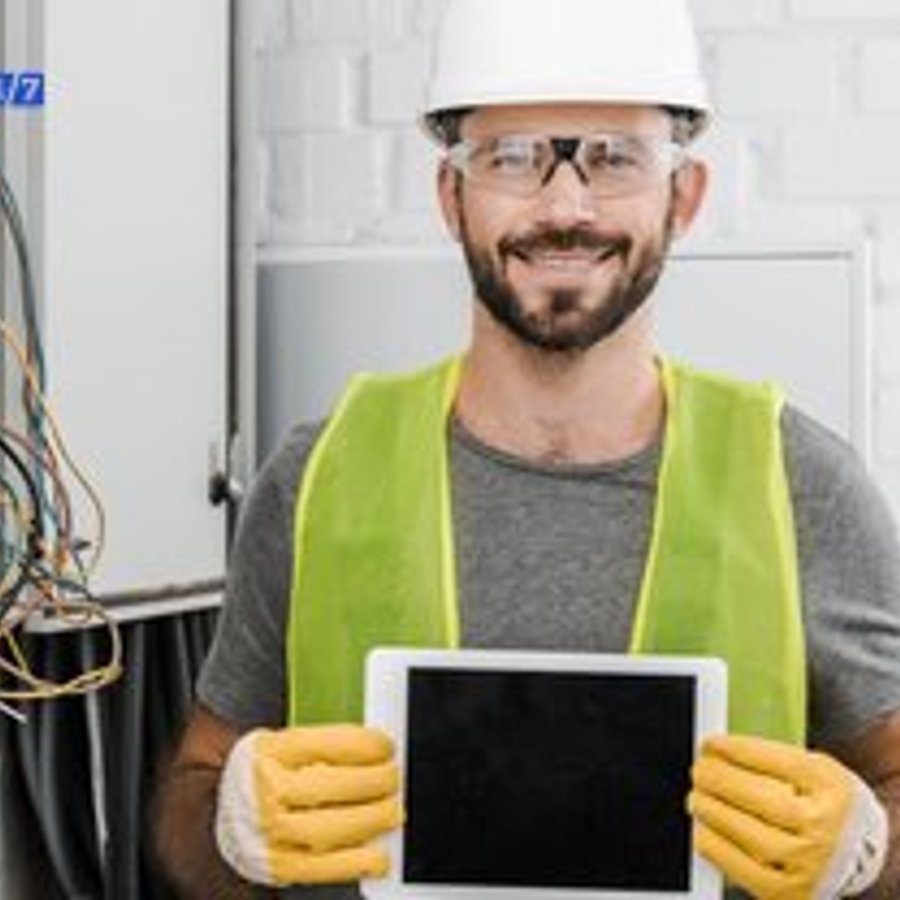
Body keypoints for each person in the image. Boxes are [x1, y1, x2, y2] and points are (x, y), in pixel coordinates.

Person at [153, 0, 900, 897]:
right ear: (450, 195)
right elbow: (185, 807)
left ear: (685, 196)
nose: (564, 205)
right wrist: (226, 824)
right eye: (511, 157)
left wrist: (869, 852)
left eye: (615, 157)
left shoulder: (803, 486)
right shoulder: (316, 480)